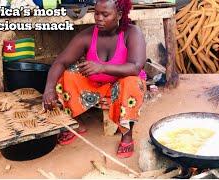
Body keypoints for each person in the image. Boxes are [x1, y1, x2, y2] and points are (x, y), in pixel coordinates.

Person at [42, 0, 147, 158]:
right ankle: (77, 124)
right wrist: (49, 89)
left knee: (132, 81)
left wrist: (102, 67)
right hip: (95, 85)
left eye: (105, 14)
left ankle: (127, 135)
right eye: (96, 13)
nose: (99, 18)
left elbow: (136, 66)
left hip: (121, 88)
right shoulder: (88, 35)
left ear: (119, 14)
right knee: (68, 74)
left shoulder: (132, 33)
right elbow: (60, 62)